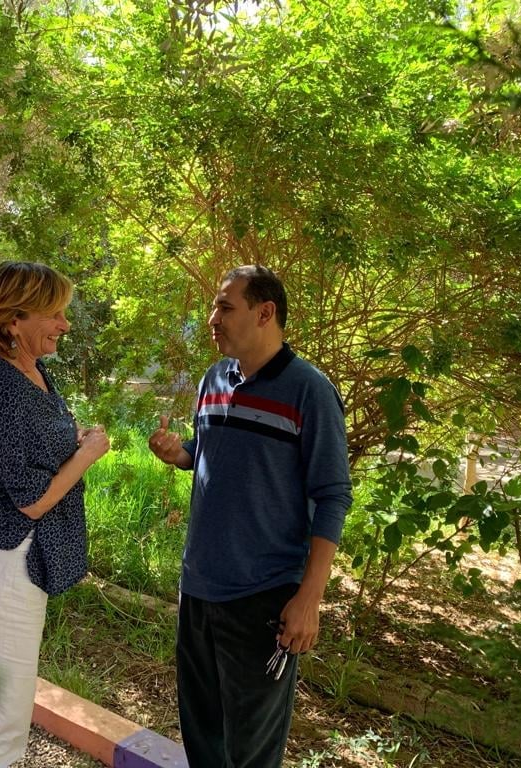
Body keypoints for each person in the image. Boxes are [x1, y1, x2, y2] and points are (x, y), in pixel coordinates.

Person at [148, 265, 352, 768]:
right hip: (198, 587)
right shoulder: (213, 379)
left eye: (225, 306)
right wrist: (180, 453)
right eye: (214, 307)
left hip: (263, 596)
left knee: (251, 752)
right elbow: (212, 454)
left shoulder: (310, 391)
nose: (212, 318)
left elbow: (333, 496)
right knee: (203, 737)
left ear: (265, 313)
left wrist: (309, 598)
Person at [0, 261, 110, 768]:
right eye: (55, 313)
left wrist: (74, 440)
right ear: (14, 320)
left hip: (24, 556)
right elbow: (32, 500)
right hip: (10, 559)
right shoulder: (0, 391)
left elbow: (33, 452)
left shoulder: (32, 370)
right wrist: (86, 456)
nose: (65, 324)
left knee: (9, 697)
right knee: (1, 710)